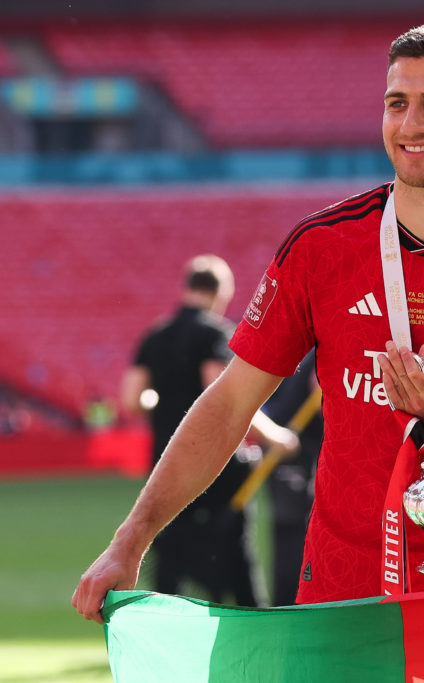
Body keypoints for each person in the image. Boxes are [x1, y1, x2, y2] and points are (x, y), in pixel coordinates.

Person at [73, 23, 424, 622]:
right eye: (396, 103)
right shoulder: (321, 247)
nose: (411, 124)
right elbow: (230, 404)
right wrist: (130, 539)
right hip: (342, 589)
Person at [119, 254, 296, 606]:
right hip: (215, 465)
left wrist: (167, 401)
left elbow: (132, 400)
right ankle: (252, 623)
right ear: (222, 292)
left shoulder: (155, 336)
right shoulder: (216, 333)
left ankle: (165, 629)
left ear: (187, 288)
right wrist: (275, 435)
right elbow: (224, 398)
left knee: (169, 559)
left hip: (165, 464)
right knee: (236, 555)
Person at [261, 351, 321, 606]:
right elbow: (323, 400)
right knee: (295, 534)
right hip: (290, 454)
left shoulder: (306, 355)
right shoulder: (320, 355)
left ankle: (288, 603)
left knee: (291, 532)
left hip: (288, 452)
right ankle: (291, 604)